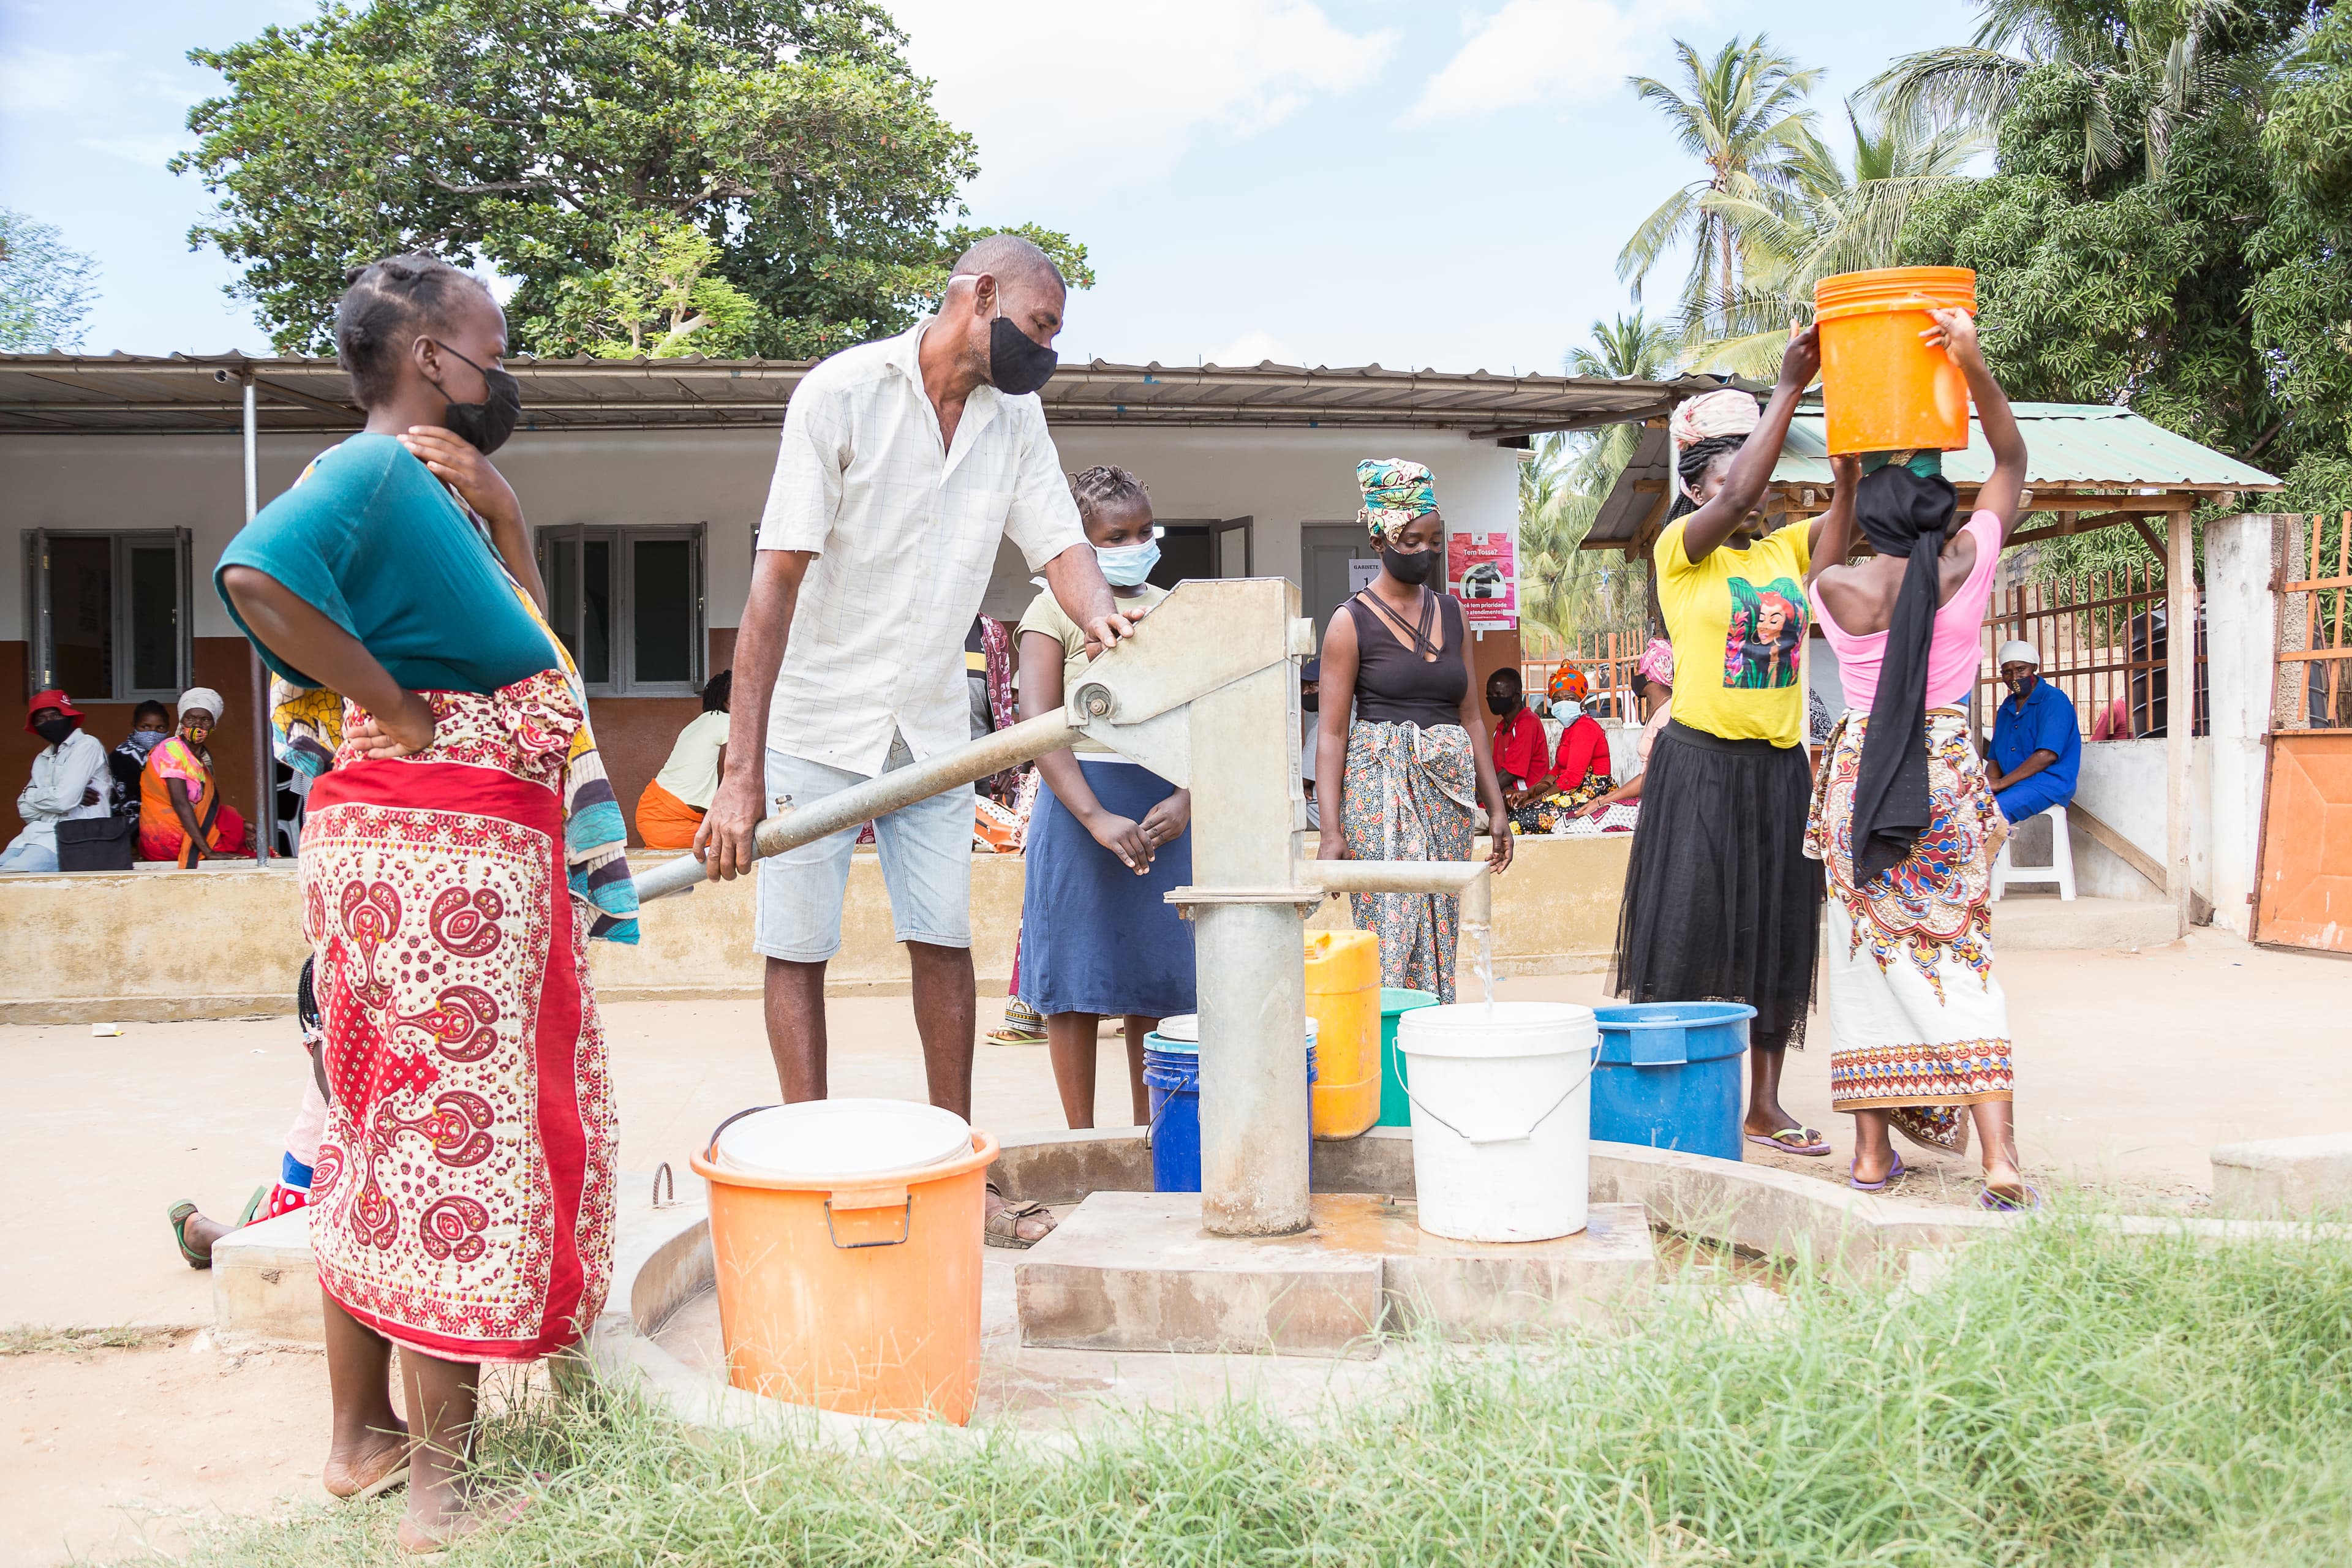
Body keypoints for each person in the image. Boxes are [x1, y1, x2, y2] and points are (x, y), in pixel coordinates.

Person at [216, 251, 636, 1551]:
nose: (500, 369)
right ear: (424, 358)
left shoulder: (437, 491)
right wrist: (397, 709)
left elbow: (522, 647)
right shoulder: (376, 467)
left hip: (427, 845)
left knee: (374, 1133)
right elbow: (253, 575)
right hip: (438, 856)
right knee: (453, 1137)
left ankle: (360, 1440)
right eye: (488, 346)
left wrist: (507, 519)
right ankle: (440, 1494)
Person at [695, 233, 1135, 1251]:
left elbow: (1061, 548)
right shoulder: (840, 397)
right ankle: (806, 1168)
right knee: (796, 944)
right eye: (1041, 326)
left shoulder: (1015, 419)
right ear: (978, 295)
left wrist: (1104, 619)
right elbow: (774, 588)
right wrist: (740, 771)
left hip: (932, 721)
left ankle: (955, 1173)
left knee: (942, 939)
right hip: (813, 715)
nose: (1048, 350)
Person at [1804, 306, 2035, 1210]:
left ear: (1873, 521)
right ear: (1940, 516)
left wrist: (1842, 487)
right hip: (1941, 764)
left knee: (1865, 956)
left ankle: (1870, 1156)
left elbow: (1823, 555)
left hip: (1861, 774)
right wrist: (1973, 367)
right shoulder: (1966, 566)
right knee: (1959, 950)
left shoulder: (1838, 587)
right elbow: (2011, 464)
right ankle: (2000, 1160)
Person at [1610, 331, 1834, 1159]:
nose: (1753, 487)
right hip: (1700, 768)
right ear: (1699, 484)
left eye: (1759, 471)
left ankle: (1762, 1106)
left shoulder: (1788, 550)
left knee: (1774, 935)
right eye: (1729, 472)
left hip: (1778, 771)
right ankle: (1662, 1099)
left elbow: (1849, 512)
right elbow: (1737, 499)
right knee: (1686, 930)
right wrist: (1787, 390)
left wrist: (1843, 428)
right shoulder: (1682, 551)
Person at [1014, 466, 1196, 1141]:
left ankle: (1151, 1136)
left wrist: (1185, 800)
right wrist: (1093, 815)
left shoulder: (1172, 607)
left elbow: (1201, 716)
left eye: (1145, 530)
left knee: (1155, 979)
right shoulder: (1050, 611)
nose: (1137, 543)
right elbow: (1037, 724)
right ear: (1081, 544)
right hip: (1078, 808)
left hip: (1159, 813)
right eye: (1116, 535)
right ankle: (1084, 1142)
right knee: (1076, 980)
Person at [1315, 458, 1513, 1001]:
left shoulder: (1453, 613)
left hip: (1445, 796)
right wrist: (1331, 834)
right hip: (1380, 795)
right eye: (1412, 540)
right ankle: (1383, 1052)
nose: (1426, 552)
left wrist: (1495, 808)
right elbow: (1332, 735)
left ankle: (1428, 1041)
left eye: (1434, 539)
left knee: (1439, 931)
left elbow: (1472, 717)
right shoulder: (1349, 621)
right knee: (1389, 932)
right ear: (1380, 539)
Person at [168, 957, 331, 1267]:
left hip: (334, 1170)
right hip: (315, 1177)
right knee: (285, 1257)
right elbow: (341, 1111)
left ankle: (261, 1217)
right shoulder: (330, 1037)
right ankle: (209, 1236)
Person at [137, 688, 254, 866]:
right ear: (182, 721)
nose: (197, 725)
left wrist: (242, 825)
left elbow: (204, 807)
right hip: (167, 838)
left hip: (186, 833)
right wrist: (208, 851)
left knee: (243, 834)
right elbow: (180, 803)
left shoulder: (199, 759)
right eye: (190, 718)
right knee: (250, 853)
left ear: (213, 725)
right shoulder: (172, 751)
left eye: (205, 720)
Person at [3, 689, 111, 873]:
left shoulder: (86, 745)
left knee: (10, 876)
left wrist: (33, 795)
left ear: (69, 717)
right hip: (34, 836)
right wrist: (57, 794)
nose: (49, 722)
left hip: (73, 839)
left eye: (55, 715)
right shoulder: (42, 758)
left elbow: (64, 801)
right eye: (41, 719)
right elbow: (25, 810)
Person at [635, 670, 732, 850]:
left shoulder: (696, 724)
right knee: (736, 839)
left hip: (654, 814)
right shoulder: (725, 721)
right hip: (668, 821)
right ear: (726, 700)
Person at [1985, 641, 2081, 823]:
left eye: (2021, 670)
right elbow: (1995, 758)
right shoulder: (2007, 707)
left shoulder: (2053, 700)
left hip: (2047, 784)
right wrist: (1989, 785)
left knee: (1991, 814)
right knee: (1969, 810)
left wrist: (2001, 784)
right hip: (2013, 785)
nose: (2015, 677)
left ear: (2034, 668)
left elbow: (2046, 755)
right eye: (2007, 672)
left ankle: (1981, 853)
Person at [1487, 667, 1551, 805]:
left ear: (1516, 696)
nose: (1493, 699)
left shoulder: (1528, 723)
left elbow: (1510, 773)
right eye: (1490, 695)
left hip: (1524, 800)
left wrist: (1479, 796)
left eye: (1499, 694)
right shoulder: (1501, 729)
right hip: (1504, 799)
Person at [108, 700, 173, 831]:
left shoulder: (171, 753)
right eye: (145, 727)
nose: (152, 733)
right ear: (134, 726)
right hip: (129, 826)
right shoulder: (123, 756)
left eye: (160, 728)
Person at [1300, 657, 1323, 831]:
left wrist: (1304, 785)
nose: (1306, 692)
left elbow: (1303, 781)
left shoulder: (1327, 724)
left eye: (1313, 685)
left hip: (1318, 816)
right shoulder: (1348, 715)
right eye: (1304, 686)